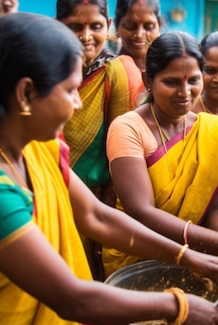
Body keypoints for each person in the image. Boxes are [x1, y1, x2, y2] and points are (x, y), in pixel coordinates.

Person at [0, 13, 218, 325]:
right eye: (71, 91)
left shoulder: (33, 144)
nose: (77, 105)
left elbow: (96, 216)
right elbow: (70, 297)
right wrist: (178, 306)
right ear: (26, 93)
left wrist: (186, 257)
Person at [105, 31, 218, 292]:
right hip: (138, 256)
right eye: (172, 82)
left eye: (193, 80)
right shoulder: (128, 128)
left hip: (197, 257)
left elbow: (217, 206)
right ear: (148, 80)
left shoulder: (214, 130)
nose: (185, 92)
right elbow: (142, 211)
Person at [56, 0, 145, 281]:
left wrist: (106, 210)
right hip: (49, 190)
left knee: (88, 277)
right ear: (59, 27)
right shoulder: (46, 70)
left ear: (108, 28)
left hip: (95, 198)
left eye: (95, 26)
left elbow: (120, 148)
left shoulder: (117, 72)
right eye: (75, 27)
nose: (86, 36)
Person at [114, 0, 162, 73]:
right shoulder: (106, 73)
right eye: (129, 26)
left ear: (159, 26)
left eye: (148, 26)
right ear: (116, 26)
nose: (139, 35)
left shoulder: (168, 70)